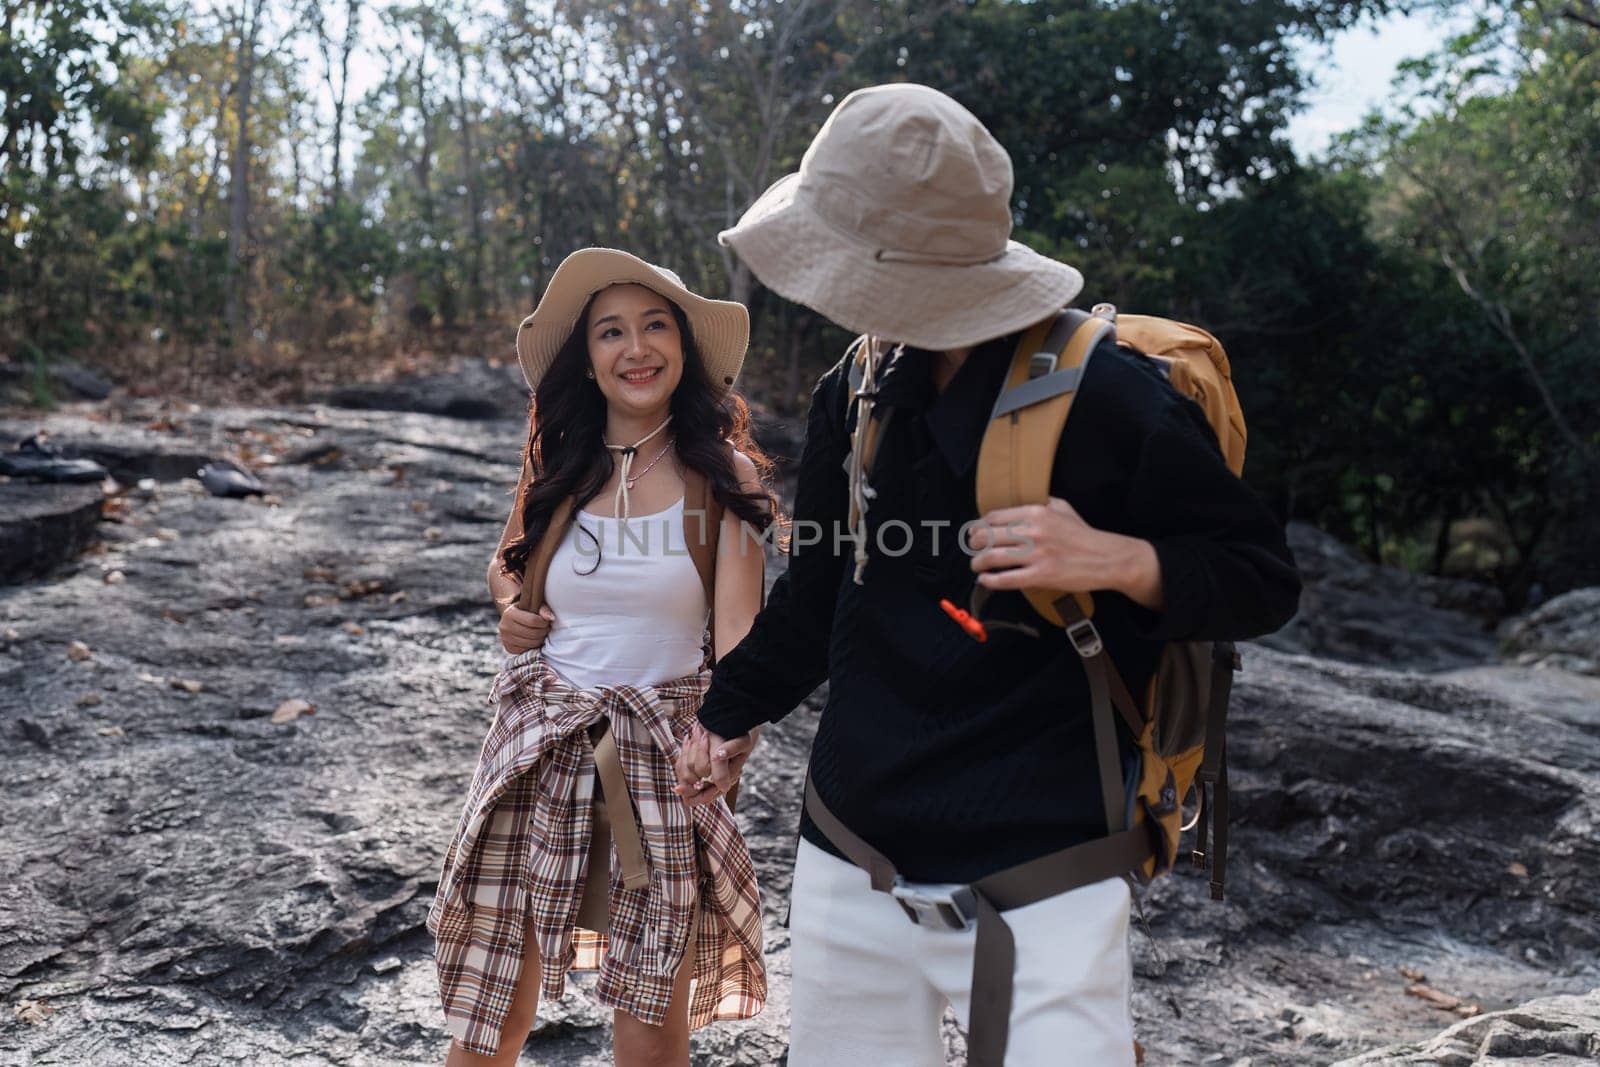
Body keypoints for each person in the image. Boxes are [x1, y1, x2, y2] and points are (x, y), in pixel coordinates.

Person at [676, 84, 1302, 1065]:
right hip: (853, 846)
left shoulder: (1104, 392)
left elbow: (1260, 574)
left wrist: (1117, 558)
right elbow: (824, 586)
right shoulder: (860, 382)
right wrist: (726, 712)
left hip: (1047, 862)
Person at [427, 248, 777, 1066]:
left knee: (650, 1025)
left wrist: (731, 736)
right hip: (538, 749)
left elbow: (741, 643)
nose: (636, 348)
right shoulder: (564, 461)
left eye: (655, 326)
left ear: (683, 346)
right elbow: (508, 564)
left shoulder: (725, 479)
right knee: (489, 1013)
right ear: (587, 360)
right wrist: (510, 610)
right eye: (611, 332)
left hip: (660, 758)